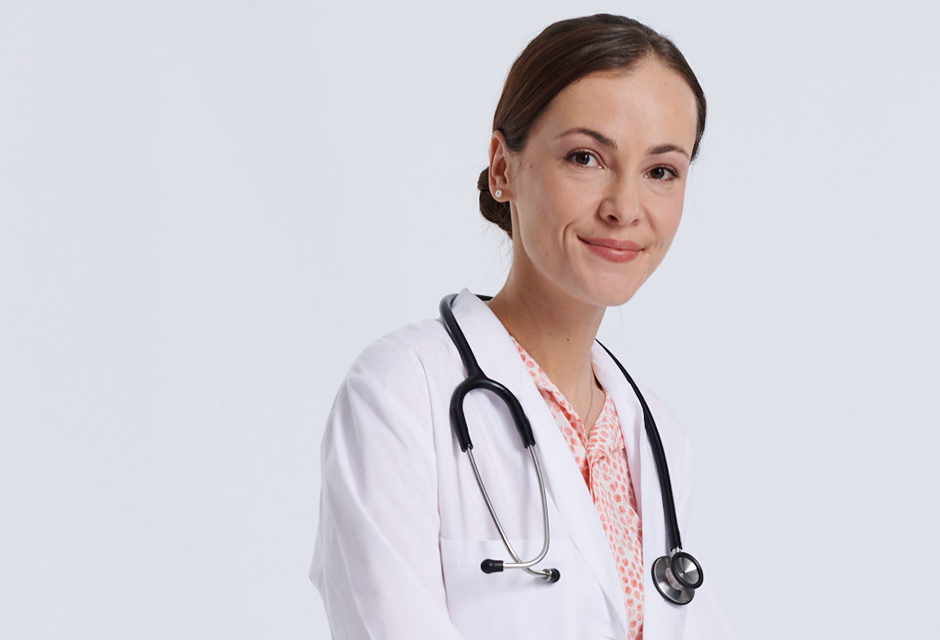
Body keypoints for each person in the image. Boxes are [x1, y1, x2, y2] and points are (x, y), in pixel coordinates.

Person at [309, 14, 731, 640]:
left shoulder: (655, 439)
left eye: (661, 171)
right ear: (504, 168)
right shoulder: (401, 394)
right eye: (586, 158)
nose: (625, 208)